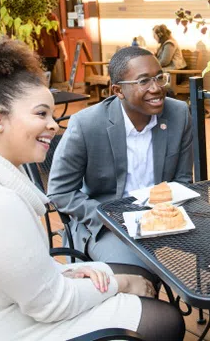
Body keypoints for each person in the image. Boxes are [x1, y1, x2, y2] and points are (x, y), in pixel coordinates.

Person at [0, 37, 185, 341]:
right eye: (41, 114)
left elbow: (21, 271)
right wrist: (121, 283)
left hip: (3, 303)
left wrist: (73, 274)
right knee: (163, 321)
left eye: (52, 114)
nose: (54, 125)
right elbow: (50, 303)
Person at [48, 46, 193, 267]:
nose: (156, 88)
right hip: (107, 223)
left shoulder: (178, 113)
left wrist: (164, 215)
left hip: (163, 215)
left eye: (159, 77)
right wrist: (109, 218)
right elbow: (60, 190)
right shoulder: (87, 124)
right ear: (118, 90)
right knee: (138, 270)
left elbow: (182, 180)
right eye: (144, 81)